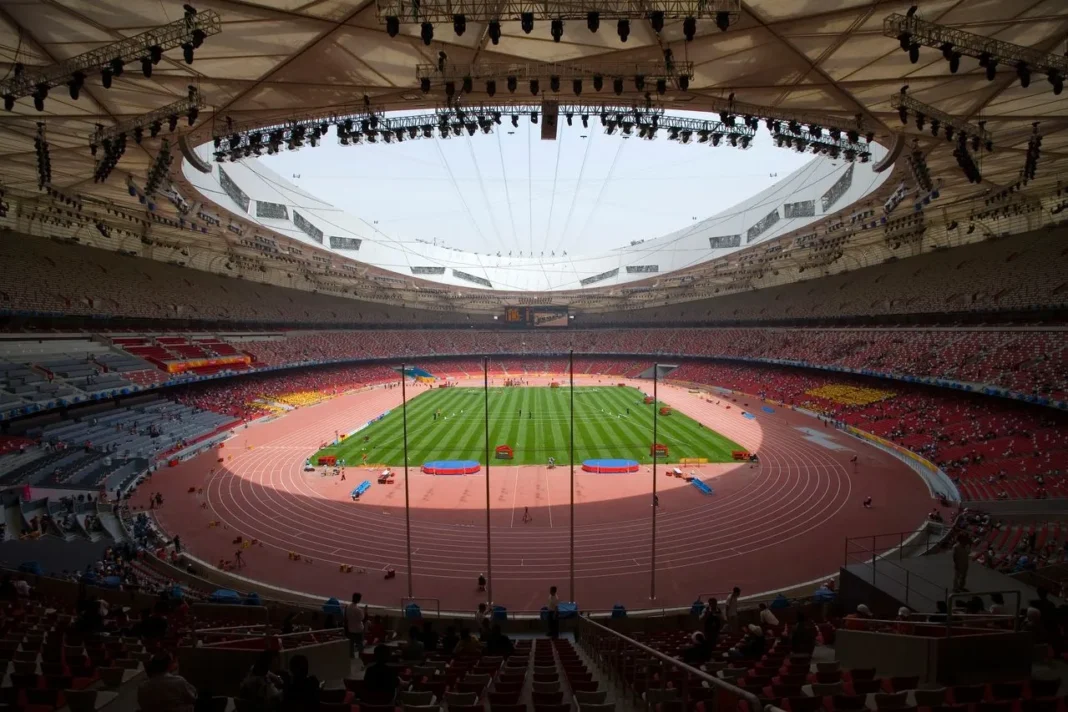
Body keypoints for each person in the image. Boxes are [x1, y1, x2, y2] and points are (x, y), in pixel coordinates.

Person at [345, 592, 367, 659]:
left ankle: (352, 657)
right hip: (358, 630)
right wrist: (365, 611)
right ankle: (361, 656)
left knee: (351, 645)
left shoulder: (347, 607)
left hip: (350, 629)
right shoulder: (358, 610)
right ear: (359, 599)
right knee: (360, 644)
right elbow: (362, 618)